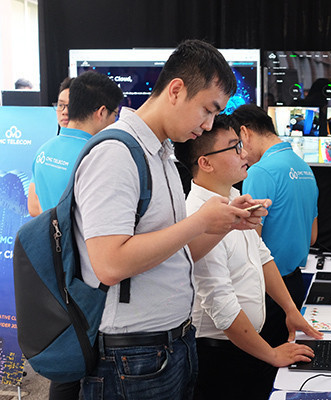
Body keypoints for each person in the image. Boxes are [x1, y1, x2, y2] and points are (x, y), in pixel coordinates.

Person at [72, 39, 266, 400]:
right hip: (132, 356)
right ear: (176, 90)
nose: (208, 125)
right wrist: (199, 221)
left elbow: (177, 254)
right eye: (207, 110)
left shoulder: (161, 155)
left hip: (170, 347)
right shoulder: (116, 154)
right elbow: (109, 263)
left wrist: (226, 223)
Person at [174, 114, 322, 400]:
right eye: (234, 147)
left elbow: (263, 256)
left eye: (240, 145)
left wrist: (291, 310)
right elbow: (222, 305)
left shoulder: (234, 198)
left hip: (247, 346)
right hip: (219, 355)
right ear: (205, 163)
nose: (243, 154)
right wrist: (271, 354)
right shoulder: (196, 216)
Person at [27, 71, 122, 400]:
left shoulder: (45, 149)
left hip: (53, 267)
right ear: (101, 112)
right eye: (114, 114)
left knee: (67, 358)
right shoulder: (96, 155)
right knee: (90, 360)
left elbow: (34, 206)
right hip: (88, 273)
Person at [231, 104, 319, 383]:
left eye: (235, 144)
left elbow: (251, 241)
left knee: (261, 375)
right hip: (293, 285)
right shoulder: (304, 167)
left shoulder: (260, 172)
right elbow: (313, 236)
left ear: (244, 132)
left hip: (266, 288)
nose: (238, 154)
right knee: (285, 373)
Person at [27, 77, 74, 217]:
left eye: (71, 106)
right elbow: (32, 207)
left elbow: (34, 208)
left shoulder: (44, 149)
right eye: (60, 105)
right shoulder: (44, 150)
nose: (64, 111)